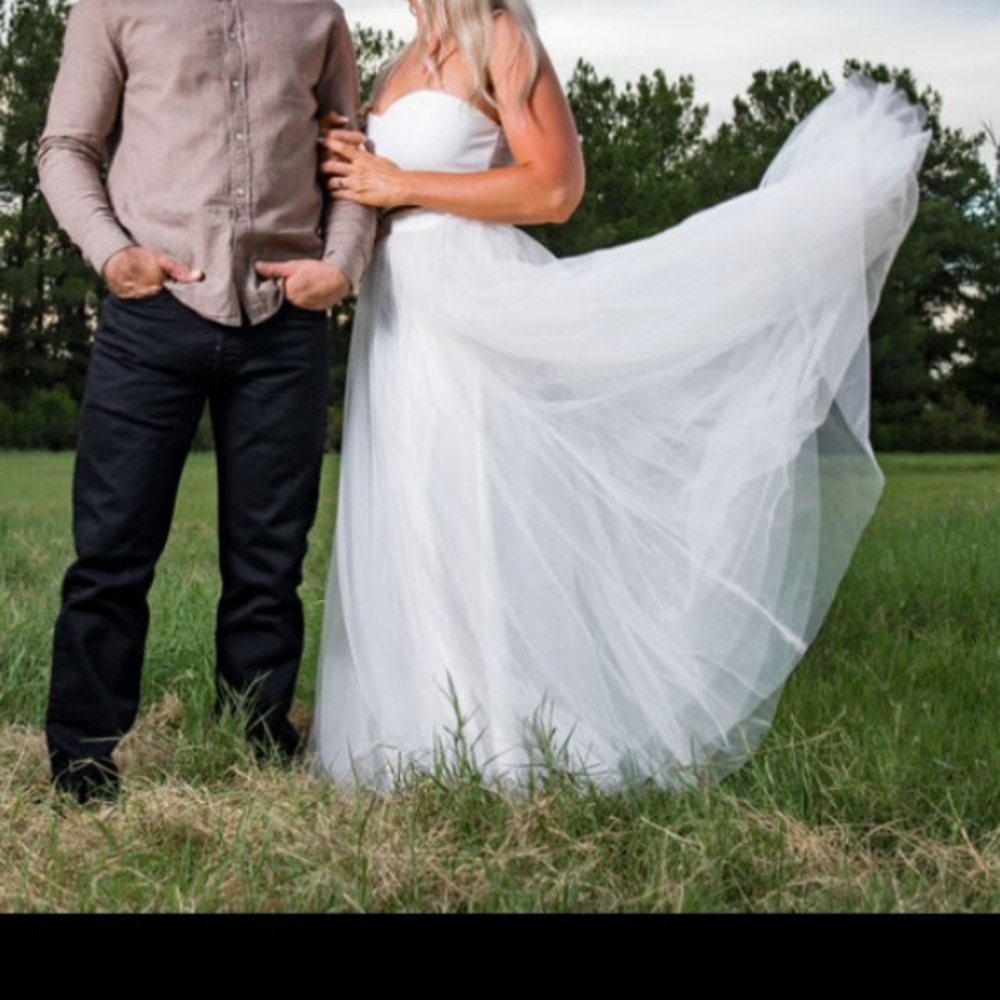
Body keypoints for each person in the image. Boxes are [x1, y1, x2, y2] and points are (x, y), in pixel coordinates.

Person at [310, 0, 929, 787]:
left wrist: (398, 180)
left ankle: (498, 738)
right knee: (409, 508)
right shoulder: (400, 58)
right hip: (397, 315)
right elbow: (374, 189)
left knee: (469, 506)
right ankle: (405, 734)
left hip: (471, 304)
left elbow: (555, 189)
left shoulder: (500, 34)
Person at [37, 0, 375, 803]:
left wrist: (343, 265)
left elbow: (352, 160)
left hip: (284, 323)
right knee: (111, 555)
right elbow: (66, 147)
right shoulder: (111, 7)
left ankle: (259, 741)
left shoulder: (318, 15)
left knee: (270, 560)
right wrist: (112, 253)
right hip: (150, 317)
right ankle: (82, 761)